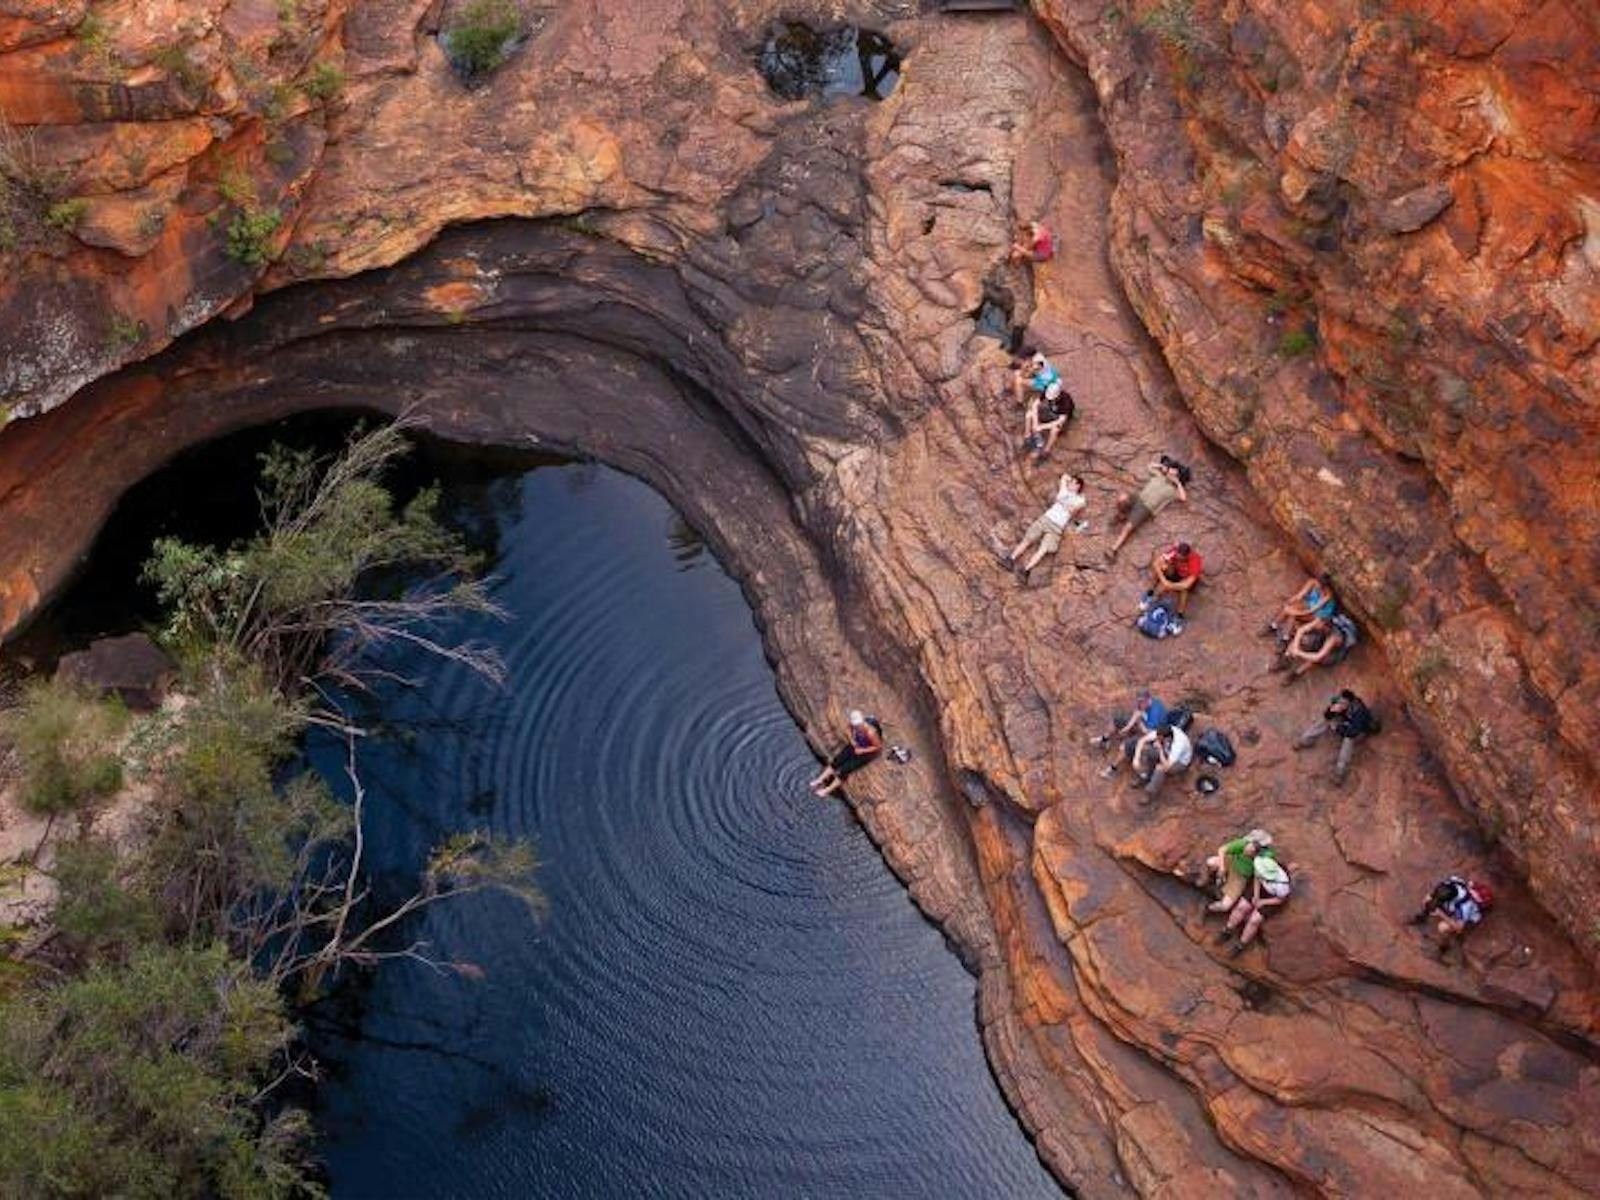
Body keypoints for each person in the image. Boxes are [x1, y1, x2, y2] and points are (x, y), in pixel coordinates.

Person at [1006, 473, 1086, 580]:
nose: (1069, 484)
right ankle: (1011, 559)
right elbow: (1064, 476)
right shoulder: (1064, 490)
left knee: (1043, 549)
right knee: (1028, 539)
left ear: (1078, 486)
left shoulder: (1079, 499)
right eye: (1070, 482)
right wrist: (1070, 480)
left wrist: (1063, 502)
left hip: (1057, 527)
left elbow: (1074, 509)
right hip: (1046, 519)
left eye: (1073, 483)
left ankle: (1026, 570)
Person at [1108, 455, 1190, 558]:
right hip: (1138, 497)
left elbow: (1183, 498)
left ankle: (1113, 549)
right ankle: (1122, 514)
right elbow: (1149, 466)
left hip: (1146, 508)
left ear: (1178, 477)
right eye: (1171, 470)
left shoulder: (1173, 491)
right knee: (1122, 498)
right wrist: (1162, 467)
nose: (1171, 472)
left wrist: (1178, 483)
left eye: (1174, 472)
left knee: (1128, 527)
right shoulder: (1159, 475)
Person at [1294, 689, 1377, 783]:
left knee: (1348, 740)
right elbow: (1326, 716)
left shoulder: (1359, 711)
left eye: (1343, 703)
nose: (1340, 704)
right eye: (1340, 701)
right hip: (1346, 723)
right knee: (1325, 721)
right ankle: (1307, 739)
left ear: (1350, 702)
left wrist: (1337, 728)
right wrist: (1332, 710)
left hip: (1359, 731)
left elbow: (1353, 732)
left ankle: (1339, 772)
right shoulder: (1338, 703)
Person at [1217, 853, 1291, 955]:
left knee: (1254, 920)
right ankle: (1227, 930)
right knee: (1242, 906)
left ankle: (1241, 944)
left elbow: (1280, 899)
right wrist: (1256, 895)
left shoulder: (1282, 885)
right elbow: (1257, 878)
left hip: (1272, 897)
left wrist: (1263, 902)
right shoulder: (1262, 866)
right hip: (1260, 888)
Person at [1408, 875, 1493, 957]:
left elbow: (1459, 928)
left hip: (1466, 916)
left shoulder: (1464, 907)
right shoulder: (1452, 882)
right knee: (1428, 900)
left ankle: (1443, 948)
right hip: (1452, 904)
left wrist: (1440, 914)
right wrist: (1432, 901)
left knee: (1442, 927)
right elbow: (1438, 893)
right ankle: (1422, 917)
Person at [1090, 690, 1169, 776]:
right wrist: (1128, 726)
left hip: (1151, 736)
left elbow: (1148, 732)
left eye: (1141, 701)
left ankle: (1112, 769)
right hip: (1142, 725)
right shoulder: (1144, 704)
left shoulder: (1155, 712)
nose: (1139, 704)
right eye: (1138, 701)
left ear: (1147, 699)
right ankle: (1105, 739)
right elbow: (1137, 713)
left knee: (1124, 747)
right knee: (1118, 719)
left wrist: (1139, 722)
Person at [809, 709, 883, 797]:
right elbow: (848, 729)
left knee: (844, 770)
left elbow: (877, 747)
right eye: (855, 725)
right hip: (856, 745)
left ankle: (826, 791)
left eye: (858, 725)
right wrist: (852, 740)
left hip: (866, 753)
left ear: (862, 722)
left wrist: (862, 750)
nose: (856, 727)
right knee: (836, 761)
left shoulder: (871, 733)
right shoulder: (853, 725)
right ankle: (819, 780)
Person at [1202, 829, 1274, 915]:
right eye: (1248, 845)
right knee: (1211, 862)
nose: (1247, 849)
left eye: (1252, 848)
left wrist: (1256, 894)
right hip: (1232, 861)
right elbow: (1222, 850)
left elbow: (1259, 875)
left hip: (1241, 877)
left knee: (1225, 906)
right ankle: (1210, 881)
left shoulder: (1265, 858)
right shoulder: (1243, 843)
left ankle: (1207, 908)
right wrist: (1222, 868)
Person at [1272, 611, 1357, 679]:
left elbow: (1318, 656)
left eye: (1319, 626)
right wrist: (1296, 646)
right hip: (1321, 638)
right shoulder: (1321, 621)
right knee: (1303, 639)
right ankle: (1286, 658)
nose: (1316, 626)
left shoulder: (1334, 638)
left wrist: (1299, 652)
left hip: (1335, 652)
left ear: (1326, 627)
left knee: (1315, 659)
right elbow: (1301, 630)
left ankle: (1296, 673)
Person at [1131, 722, 1192, 799]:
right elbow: (1142, 740)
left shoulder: (1179, 744)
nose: (1157, 738)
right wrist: (1136, 758)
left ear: (1167, 738)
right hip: (1166, 753)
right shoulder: (1163, 731)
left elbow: (1167, 766)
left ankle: (1149, 793)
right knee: (1146, 749)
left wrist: (1160, 750)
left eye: (1160, 738)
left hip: (1179, 762)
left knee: (1160, 768)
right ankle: (1144, 775)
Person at [1021, 381, 1074, 469]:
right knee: (1029, 414)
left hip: (1058, 418)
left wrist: (1041, 427)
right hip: (1050, 412)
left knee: (1055, 430)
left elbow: (1061, 420)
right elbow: (1035, 405)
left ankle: (1046, 451)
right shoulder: (1047, 391)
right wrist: (1035, 422)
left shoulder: (1065, 400)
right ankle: (1027, 436)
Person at [1267, 573, 1336, 636]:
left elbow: (1312, 610)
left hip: (1318, 615)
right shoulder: (1313, 582)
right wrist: (1290, 601)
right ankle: (1273, 626)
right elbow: (1300, 595)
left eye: (1321, 586)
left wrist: (1295, 612)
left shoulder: (1327, 596)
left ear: (1326, 586)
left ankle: (1285, 636)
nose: (1318, 586)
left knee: (1293, 614)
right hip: (1309, 605)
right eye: (1318, 583)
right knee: (1289, 607)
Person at [1150, 542, 1203, 615]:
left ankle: (1179, 614)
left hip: (1185, 578)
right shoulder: (1175, 551)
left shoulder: (1195, 561)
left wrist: (1169, 585)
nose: (1177, 557)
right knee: (1163, 566)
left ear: (1186, 556)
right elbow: (1156, 563)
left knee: (1184, 590)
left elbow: (1187, 584)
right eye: (1176, 556)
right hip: (1176, 572)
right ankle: (1150, 591)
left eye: (1180, 558)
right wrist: (1163, 579)